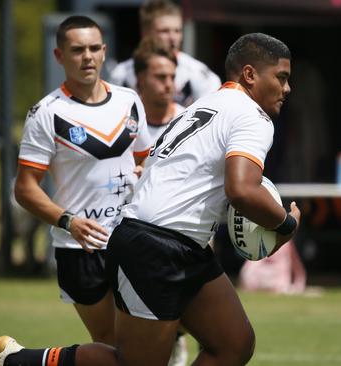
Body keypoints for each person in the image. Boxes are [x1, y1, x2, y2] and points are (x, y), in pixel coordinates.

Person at [0, 32, 299, 366]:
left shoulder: (206, 104)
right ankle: (16, 361)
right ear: (249, 75)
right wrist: (286, 223)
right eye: (281, 77)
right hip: (155, 244)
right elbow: (242, 190)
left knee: (234, 343)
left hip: (180, 243)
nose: (287, 88)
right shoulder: (253, 116)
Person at [11, 15, 152, 348]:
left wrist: (146, 172)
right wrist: (68, 221)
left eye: (93, 48)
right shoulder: (46, 113)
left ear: (104, 52)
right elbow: (25, 187)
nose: (87, 57)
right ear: (59, 56)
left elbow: (146, 158)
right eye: (77, 50)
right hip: (79, 249)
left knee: (146, 340)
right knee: (109, 343)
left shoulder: (129, 100)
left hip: (132, 240)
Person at [133, 36, 189, 366]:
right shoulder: (124, 120)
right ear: (140, 79)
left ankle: (178, 339)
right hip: (130, 234)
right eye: (160, 77)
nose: (169, 84)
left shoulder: (188, 119)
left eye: (172, 76)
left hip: (179, 233)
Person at [109, 0, 221, 107]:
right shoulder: (121, 75)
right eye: (164, 31)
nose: (173, 38)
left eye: (177, 31)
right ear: (145, 33)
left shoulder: (199, 74)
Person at [238, 239, 306, 295]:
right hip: (259, 280)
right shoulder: (260, 239)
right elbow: (250, 266)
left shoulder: (286, 241)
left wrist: (299, 283)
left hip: (278, 282)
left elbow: (296, 264)